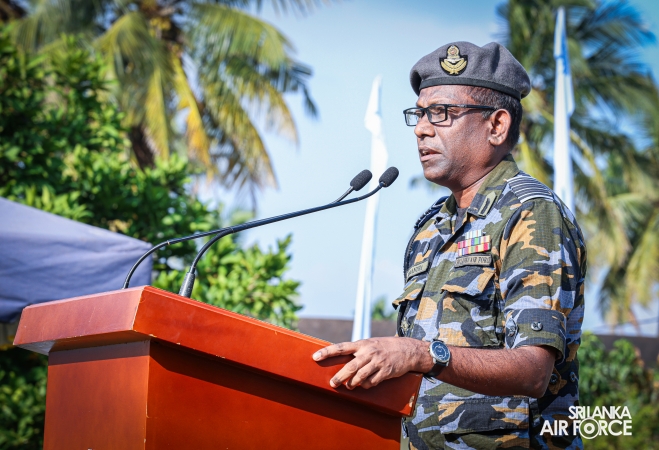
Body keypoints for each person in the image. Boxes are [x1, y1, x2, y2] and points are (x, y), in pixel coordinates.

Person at [312, 41, 587, 449]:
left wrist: (422, 354)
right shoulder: (431, 228)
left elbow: (533, 371)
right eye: (419, 114)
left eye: (441, 113)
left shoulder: (530, 213)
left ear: (497, 126)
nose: (422, 129)